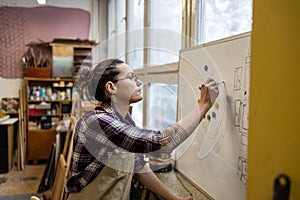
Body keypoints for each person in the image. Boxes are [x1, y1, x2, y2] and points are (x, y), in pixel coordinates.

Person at [65, 58, 219, 200]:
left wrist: (173, 199)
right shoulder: (96, 122)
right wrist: (203, 105)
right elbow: (163, 143)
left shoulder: (124, 121)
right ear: (111, 87)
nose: (139, 82)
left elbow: (138, 165)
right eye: (131, 77)